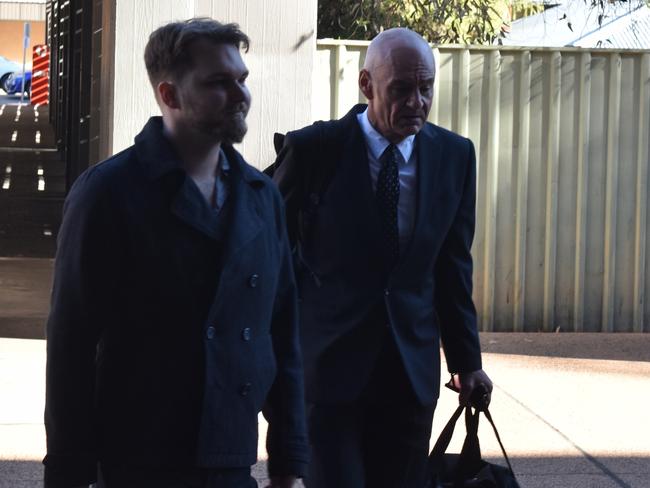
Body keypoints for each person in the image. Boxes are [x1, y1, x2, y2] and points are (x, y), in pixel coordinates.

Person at [43, 18, 308, 488]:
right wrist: (69, 472)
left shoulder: (261, 196)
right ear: (169, 95)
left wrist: (289, 464)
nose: (239, 94)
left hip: (230, 461)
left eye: (241, 80)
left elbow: (281, 335)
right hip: (137, 464)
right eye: (217, 83)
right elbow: (71, 345)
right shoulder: (108, 192)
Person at [272, 27, 493, 488]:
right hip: (327, 373)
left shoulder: (454, 156)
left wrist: (466, 361)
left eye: (425, 87)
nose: (416, 101)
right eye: (401, 89)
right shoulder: (315, 150)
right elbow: (271, 253)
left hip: (409, 376)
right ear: (367, 84)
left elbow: (452, 266)